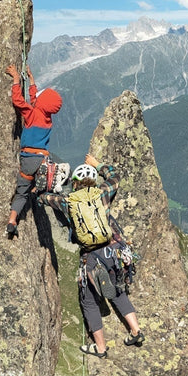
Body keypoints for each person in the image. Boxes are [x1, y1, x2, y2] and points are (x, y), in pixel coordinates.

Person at [57, 154, 144, 359]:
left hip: (91, 258)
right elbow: (114, 176)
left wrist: (38, 193)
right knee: (118, 291)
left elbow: (46, 199)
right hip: (113, 252)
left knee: (89, 301)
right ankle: (136, 331)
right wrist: (98, 165)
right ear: (93, 180)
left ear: (76, 184)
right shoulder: (103, 193)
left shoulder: (68, 202)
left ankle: (101, 348)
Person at [4, 64, 63, 238]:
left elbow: (18, 102)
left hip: (29, 158)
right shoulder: (47, 118)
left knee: (21, 192)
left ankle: (12, 220)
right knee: (33, 188)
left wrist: (16, 79)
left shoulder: (31, 114)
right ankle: (37, 190)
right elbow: (35, 100)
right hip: (43, 159)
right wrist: (31, 80)